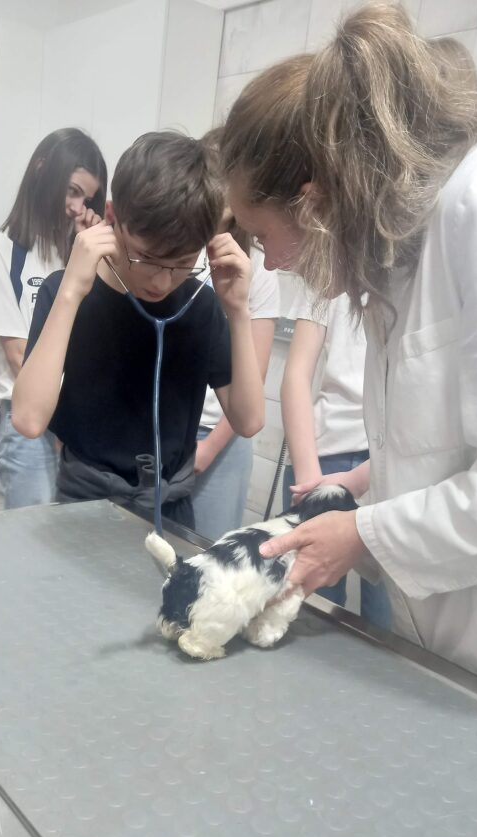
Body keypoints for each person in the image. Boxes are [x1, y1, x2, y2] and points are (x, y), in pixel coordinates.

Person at [221, 3, 477, 703]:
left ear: (313, 202)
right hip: (464, 655)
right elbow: (440, 455)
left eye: (262, 234)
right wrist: (353, 505)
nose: (269, 262)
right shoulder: (391, 274)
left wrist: (364, 537)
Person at [12, 131, 265, 530]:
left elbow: (248, 421)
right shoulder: (67, 292)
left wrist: (238, 311)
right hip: (83, 508)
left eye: (182, 262)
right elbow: (28, 420)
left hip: (170, 512)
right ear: (112, 217)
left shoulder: (199, 304)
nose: (162, 281)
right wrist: (70, 292)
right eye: (146, 257)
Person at [0, 128, 107, 509]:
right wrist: (63, 425)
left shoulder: (77, 251)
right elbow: (18, 355)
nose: (78, 207)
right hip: (30, 424)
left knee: (74, 534)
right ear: (41, 170)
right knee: (31, 534)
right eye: (72, 191)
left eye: (88, 199)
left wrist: (92, 254)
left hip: (79, 422)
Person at [280, 276, 391, 628]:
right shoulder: (329, 267)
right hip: (324, 456)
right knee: (304, 608)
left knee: (388, 620)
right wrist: (309, 479)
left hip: (391, 462)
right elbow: (296, 375)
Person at [191, 130, 279, 542]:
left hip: (222, 439)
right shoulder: (177, 247)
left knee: (209, 560)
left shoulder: (256, 265)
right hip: (165, 429)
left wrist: (208, 449)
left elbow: (253, 375)